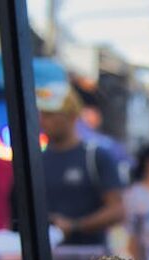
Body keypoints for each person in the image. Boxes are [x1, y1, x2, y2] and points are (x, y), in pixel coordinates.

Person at [37, 81, 124, 246]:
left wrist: (75, 226)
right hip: (47, 259)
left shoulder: (96, 156)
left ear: (71, 116)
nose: (44, 120)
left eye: (51, 114)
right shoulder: (37, 161)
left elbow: (117, 211)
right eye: (42, 114)